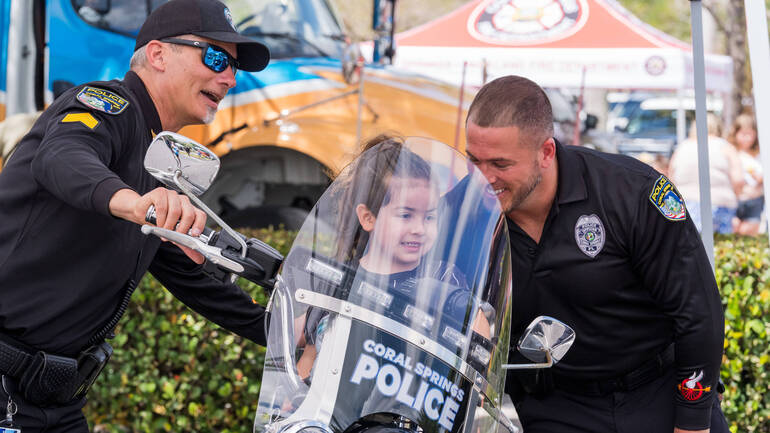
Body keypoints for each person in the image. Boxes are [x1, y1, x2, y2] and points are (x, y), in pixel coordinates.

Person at [0, 0, 271, 431]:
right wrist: (137, 202)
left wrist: (286, 334)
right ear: (159, 54)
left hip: (56, 404)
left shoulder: (159, 162)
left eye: (234, 68)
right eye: (216, 57)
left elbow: (191, 278)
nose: (229, 78)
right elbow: (62, 155)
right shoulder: (108, 104)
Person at [464, 75, 727, 433]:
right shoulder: (464, 210)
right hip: (558, 404)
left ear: (546, 152)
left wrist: (693, 422)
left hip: (657, 392)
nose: (484, 177)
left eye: (500, 164)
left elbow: (698, 313)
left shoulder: (632, 193)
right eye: (474, 160)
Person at [296, 136, 490, 380]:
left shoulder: (444, 277)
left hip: (414, 413)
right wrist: (291, 402)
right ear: (368, 218)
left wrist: (481, 357)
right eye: (406, 215)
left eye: (429, 217)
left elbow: (479, 343)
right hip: (338, 414)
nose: (419, 228)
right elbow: (310, 358)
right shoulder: (340, 281)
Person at [668, 114, 743, 234]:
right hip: (719, 205)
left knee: (692, 247)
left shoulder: (682, 147)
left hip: (685, 205)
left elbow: (671, 178)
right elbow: (738, 179)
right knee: (721, 247)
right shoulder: (725, 147)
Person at [727, 113, 764, 235]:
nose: (747, 138)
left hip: (755, 200)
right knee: (733, 231)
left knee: (749, 233)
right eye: (743, 134)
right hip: (736, 200)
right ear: (735, 133)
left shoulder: (760, 154)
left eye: (750, 134)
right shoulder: (731, 152)